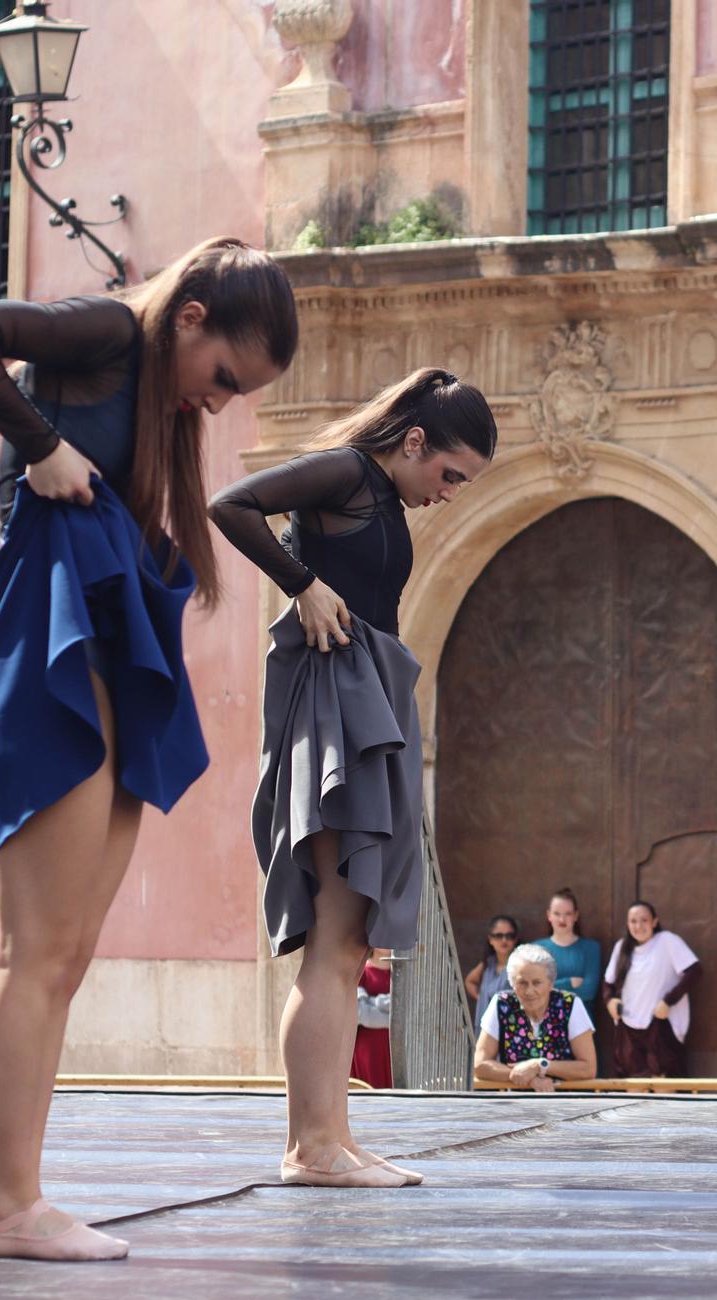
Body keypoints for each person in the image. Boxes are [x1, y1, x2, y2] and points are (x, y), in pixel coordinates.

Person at [0, 237, 299, 1262]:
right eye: (222, 377)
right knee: (31, 946)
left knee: (67, 952)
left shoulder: (156, 398)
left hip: (107, 628)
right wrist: (40, 443)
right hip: (56, 633)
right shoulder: (103, 332)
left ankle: (21, 1199)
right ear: (189, 318)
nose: (214, 404)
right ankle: (7, 1207)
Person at [210, 366, 497, 1188]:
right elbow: (230, 503)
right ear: (413, 441)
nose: (447, 493)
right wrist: (303, 585)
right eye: (448, 474)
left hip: (363, 699)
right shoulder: (346, 471)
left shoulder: (376, 490)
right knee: (333, 944)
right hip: (334, 708)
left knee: (348, 941)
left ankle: (333, 1133)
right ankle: (311, 1147)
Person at [473, 945, 597, 1091]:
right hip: (518, 1106)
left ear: (550, 983)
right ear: (512, 984)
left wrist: (540, 1065)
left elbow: (588, 1068)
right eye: (522, 983)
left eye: (537, 982)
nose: (529, 991)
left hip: (567, 1103)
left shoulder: (570, 1005)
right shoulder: (501, 1004)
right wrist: (528, 1078)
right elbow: (480, 1065)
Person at [603, 901, 701, 1077]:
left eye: (644, 920)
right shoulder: (622, 947)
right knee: (633, 1085)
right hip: (629, 1027)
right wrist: (610, 1000)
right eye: (633, 921)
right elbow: (608, 982)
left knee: (664, 1085)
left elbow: (694, 972)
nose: (638, 926)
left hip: (660, 1026)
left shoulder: (667, 941)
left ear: (654, 921)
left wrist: (668, 1001)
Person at [535, 888, 602, 1022]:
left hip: (580, 1026)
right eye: (557, 913)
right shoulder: (536, 949)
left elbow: (588, 992)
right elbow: (534, 992)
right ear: (549, 915)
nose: (562, 919)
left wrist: (548, 987)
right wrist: (569, 982)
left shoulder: (591, 948)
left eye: (568, 913)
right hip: (544, 1025)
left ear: (576, 915)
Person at [351, 950, 393, 1090]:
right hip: (368, 1050)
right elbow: (360, 1013)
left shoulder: (403, 975)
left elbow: (409, 1010)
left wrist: (374, 1002)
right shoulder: (360, 972)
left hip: (397, 1050)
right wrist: (394, 1017)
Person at [466, 915, 519, 1026]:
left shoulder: (521, 963)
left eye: (510, 936)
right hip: (486, 1026)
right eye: (499, 936)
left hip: (511, 1028)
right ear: (490, 939)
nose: (504, 940)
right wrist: (482, 999)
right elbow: (469, 981)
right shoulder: (488, 963)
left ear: (515, 939)